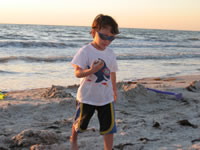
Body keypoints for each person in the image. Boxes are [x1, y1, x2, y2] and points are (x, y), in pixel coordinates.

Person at [70, 14, 119, 150]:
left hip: (106, 97)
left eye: (111, 38)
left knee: (109, 127)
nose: (106, 41)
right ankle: (73, 140)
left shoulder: (110, 53)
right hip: (87, 97)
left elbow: (112, 72)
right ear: (93, 32)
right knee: (80, 125)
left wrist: (114, 90)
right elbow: (77, 73)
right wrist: (91, 70)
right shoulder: (85, 51)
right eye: (103, 36)